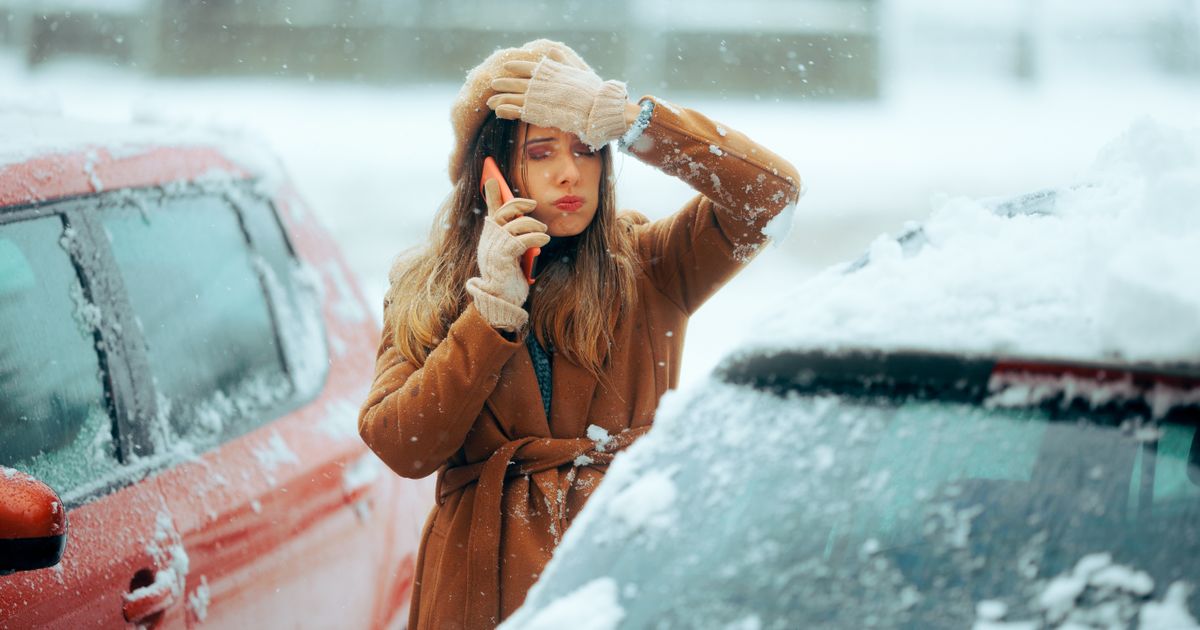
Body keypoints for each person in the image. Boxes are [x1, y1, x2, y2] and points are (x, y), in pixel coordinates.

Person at [358, 39, 801, 629]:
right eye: (540, 152)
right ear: (487, 172)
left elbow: (772, 196)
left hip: (623, 578)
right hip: (480, 596)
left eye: (588, 147)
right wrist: (489, 313)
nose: (570, 172)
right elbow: (401, 446)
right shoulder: (429, 287)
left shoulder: (649, 264)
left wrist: (639, 122)